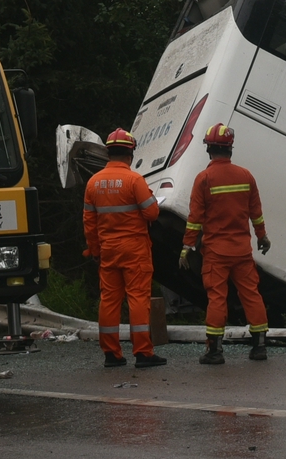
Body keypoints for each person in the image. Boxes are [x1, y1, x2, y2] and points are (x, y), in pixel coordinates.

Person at [180, 122, 272, 364]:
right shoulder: (246, 176)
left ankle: (215, 351)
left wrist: (186, 248)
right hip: (242, 250)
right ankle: (260, 346)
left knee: (217, 298)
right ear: (230, 149)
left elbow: (195, 219)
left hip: (216, 253)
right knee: (251, 294)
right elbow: (256, 212)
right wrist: (262, 236)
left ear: (209, 149)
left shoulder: (204, 179)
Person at [82, 128, 166, 370]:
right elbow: (152, 212)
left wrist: (95, 250)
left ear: (109, 153)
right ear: (130, 153)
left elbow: (89, 223)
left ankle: (111, 354)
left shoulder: (93, 182)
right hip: (135, 250)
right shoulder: (134, 180)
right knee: (138, 298)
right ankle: (143, 353)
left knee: (109, 300)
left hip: (108, 251)